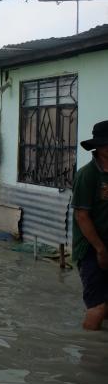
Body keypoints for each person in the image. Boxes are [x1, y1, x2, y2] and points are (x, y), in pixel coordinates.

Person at [71, 120, 108, 330]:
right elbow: (81, 217)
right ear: (102, 147)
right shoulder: (88, 175)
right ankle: (88, 355)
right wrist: (100, 249)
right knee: (98, 306)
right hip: (91, 248)